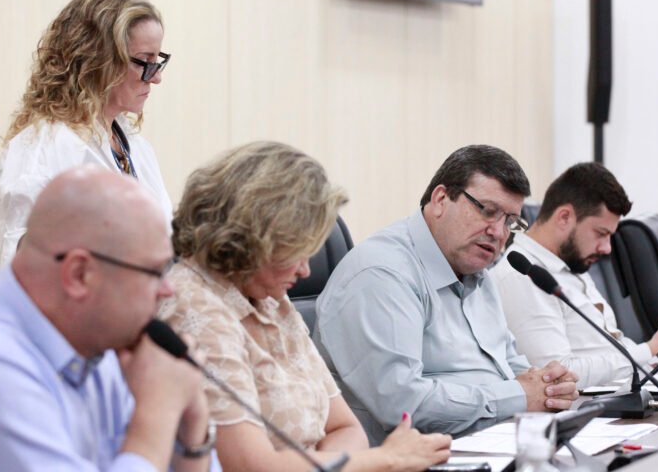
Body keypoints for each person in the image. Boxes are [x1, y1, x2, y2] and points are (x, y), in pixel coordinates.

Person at [159, 141, 452, 472]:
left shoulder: (270, 299)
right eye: (296, 252)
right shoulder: (194, 309)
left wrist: (332, 465)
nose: (305, 271)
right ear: (252, 239)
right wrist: (386, 458)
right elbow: (252, 466)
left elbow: (345, 428)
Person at [0, 166, 220, 471]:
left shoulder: (104, 343)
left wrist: (191, 434)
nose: (168, 290)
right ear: (79, 274)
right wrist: (158, 410)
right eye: (154, 272)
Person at [312, 144, 580, 446]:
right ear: (441, 199)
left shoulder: (477, 272)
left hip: (488, 445)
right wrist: (517, 396)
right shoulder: (382, 273)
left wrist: (548, 386)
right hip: (411, 459)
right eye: (488, 211)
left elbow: (507, 365)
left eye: (509, 222)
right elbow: (403, 406)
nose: (498, 232)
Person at [0, 0, 173, 267]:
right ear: (99, 59)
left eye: (157, 60)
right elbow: (28, 268)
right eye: (145, 62)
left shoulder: (134, 145)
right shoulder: (41, 149)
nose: (157, 77)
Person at [493, 162, 658, 389]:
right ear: (564, 217)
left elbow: (609, 348)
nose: (607, 248)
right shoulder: (522, 276)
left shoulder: (571, 263)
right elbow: (555, 376)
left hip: (622, 394)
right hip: (589, 407)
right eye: (601, 233)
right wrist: (652, 349)